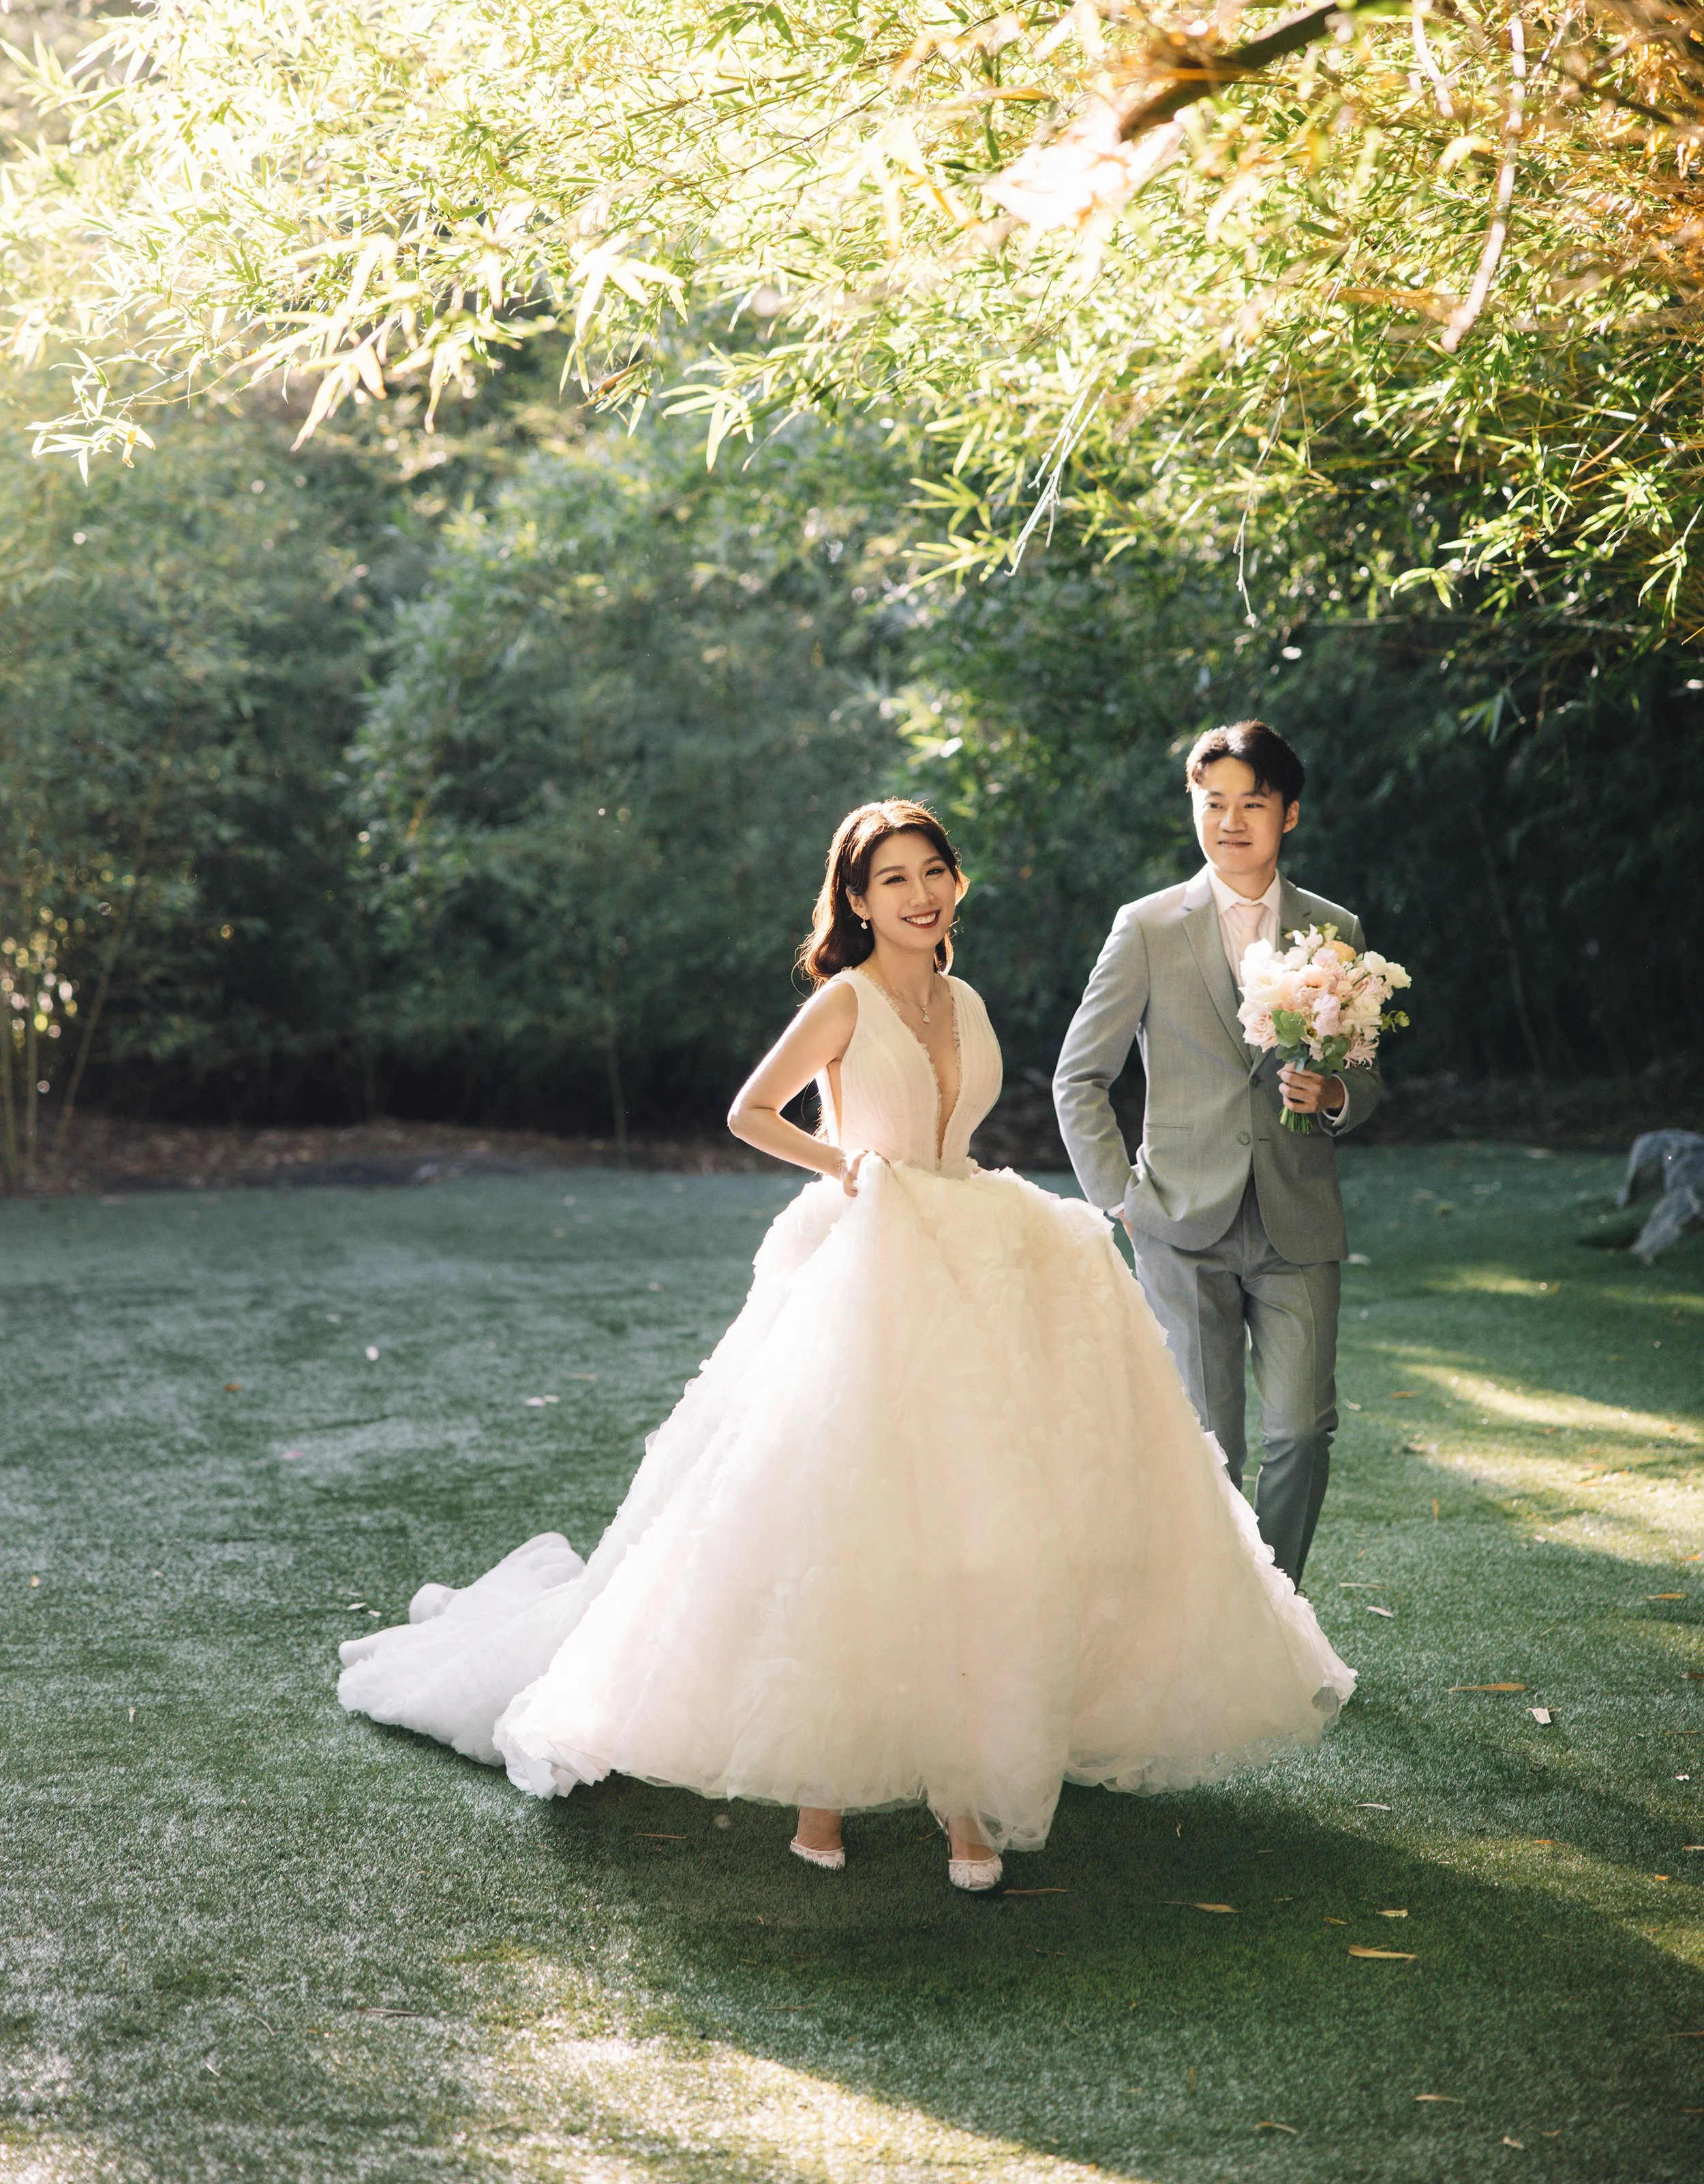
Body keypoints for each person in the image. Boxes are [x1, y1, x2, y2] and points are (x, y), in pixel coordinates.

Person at [339, 798, 1352, 1890]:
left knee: (980, 1514)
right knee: (846, 1509)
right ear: (858, 903)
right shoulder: (845, 1000)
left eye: (933, 873)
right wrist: (847, 1168)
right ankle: (830, 1779)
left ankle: (960, 1776)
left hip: (977, 1243)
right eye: (892, 881)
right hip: (869, 1256)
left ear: (955, 885)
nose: (918, 895)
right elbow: (749, 1112)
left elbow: (960, 1130)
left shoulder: (963, 996)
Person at [1052, 723, 1380, 1588]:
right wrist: (1118, 1196)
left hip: (1295, 1217)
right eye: (1213, 804)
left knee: (1301, 1430)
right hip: (1177, 1220)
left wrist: (1337, 1096)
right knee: (1211, 1444)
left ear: (1290, 813)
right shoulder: (1148, 926)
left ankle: (1278, 1611)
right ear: (1194, 809)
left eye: (1252, 804)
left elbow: (1365, 1069)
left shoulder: (1334, 929)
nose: (1230, 822)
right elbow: (1079, 1077)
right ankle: (1217, 1622)